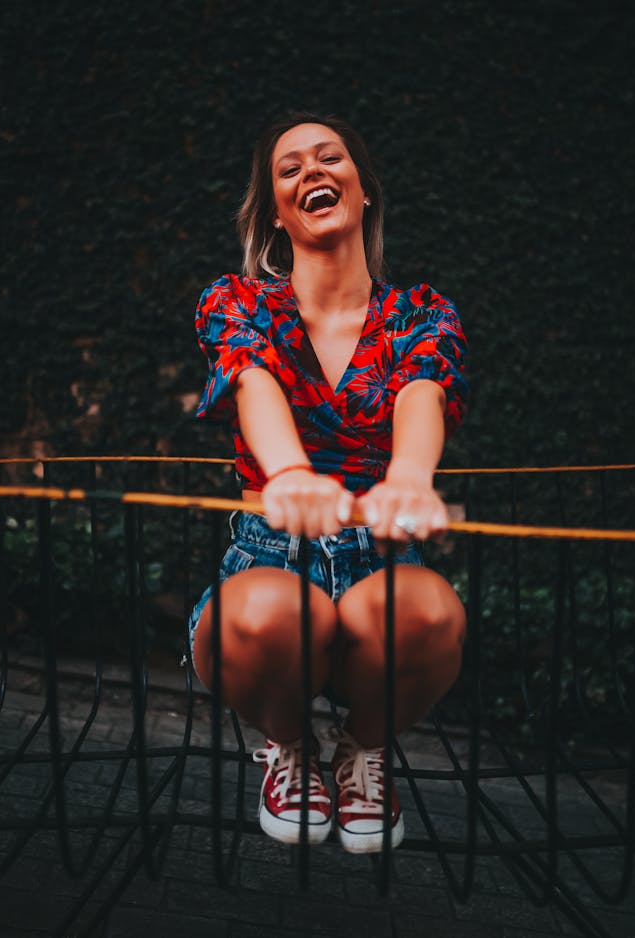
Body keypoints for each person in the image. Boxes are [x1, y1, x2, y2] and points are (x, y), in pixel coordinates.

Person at [188, 111, 468, 854]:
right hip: (267, 556)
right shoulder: (239, 303)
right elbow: (250, 383)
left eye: (329, 158)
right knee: (271, 615)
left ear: (362, 190)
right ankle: (291, 747)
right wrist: (289, 475)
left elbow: (423, 392)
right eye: (289, 169)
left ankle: (361, 750)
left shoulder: (422, 313)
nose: (311, 172)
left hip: (378, 562)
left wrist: (410, 478)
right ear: (277, 210)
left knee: (434, 616)